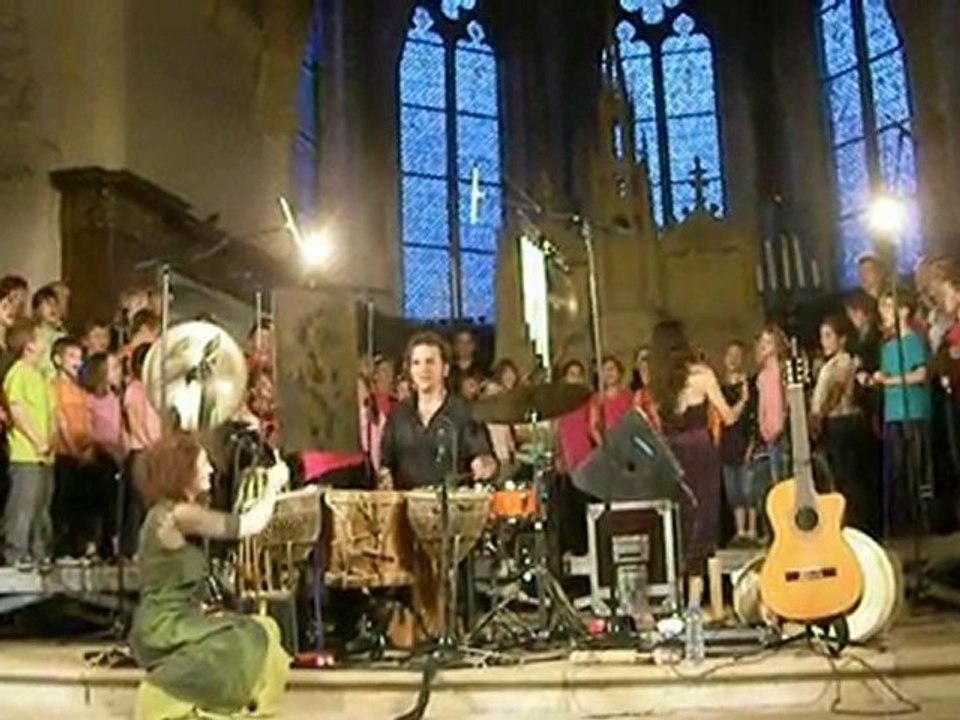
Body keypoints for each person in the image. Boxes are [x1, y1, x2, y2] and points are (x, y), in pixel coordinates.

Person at [129, 431, 290, 719]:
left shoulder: (171, 514)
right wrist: (273, 485)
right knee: (247, 635)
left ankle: (251, 706)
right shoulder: (174, 515)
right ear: (183, 470)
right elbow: (247, 524)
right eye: (205, 464)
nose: (212, 470)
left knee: (264, 628)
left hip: (180, 618)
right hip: (164, 625)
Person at [647, 320, 747, 608]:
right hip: (700, 452)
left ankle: (674, 597)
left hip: (671, 455)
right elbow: (727, 418)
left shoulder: (658, 384)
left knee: (678, 522)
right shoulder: (702, 375)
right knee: (703, 523)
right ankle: (694, 600)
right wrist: (741, 402)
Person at [380, 331, 497, 490]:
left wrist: (485, 464)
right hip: (408, 505)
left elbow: (484, 456)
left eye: (430, 362)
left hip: (454, 507)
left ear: (445, 369)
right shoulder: (398, 414)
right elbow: (386, 462)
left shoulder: (464, 412)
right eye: (416, 363)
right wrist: (384, 476)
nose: (423, 369)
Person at [870, 289, 932, 538]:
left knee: (916, 470)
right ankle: (900, 525)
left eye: (888, 307)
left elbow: (920, 374)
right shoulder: (887, 347)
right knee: (896, 472)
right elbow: (886, 377)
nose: (883, 313)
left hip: (914, 412)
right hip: (893, 414)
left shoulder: (914, 341)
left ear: (903, 311)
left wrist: (891, 381)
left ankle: (923, 523)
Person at [810, 316, 876, 533]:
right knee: (837, 476)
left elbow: (836, 391)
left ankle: (856, 523)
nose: (824, 342)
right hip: (833, 423)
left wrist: (821, 415)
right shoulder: (829, 363)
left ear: (842, 339)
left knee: (848, 477)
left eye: (829, 336)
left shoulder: (844, 361)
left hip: (842, 422)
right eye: (822, 336)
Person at [3, 318, 55, 567]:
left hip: (45, 454)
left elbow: (51, 411)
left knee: (41, 507)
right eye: (38, 338)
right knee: (23, 504)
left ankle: (39, 551)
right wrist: (37, 440)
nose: (44, 343)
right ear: (28, 345)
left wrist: (51, 439)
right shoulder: (18, 373)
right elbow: (18, 411)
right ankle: (16, 552)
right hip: (26, 453)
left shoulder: (41, 375)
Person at [717, 340, 755, 546]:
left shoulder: (748, 385)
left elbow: (751, 417)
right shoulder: (719, 389)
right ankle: (740, 531)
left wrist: (753, 443)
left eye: (737, 355)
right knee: (734, 491)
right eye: (729, 355)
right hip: (726, 443)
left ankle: (752, 530)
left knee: (748, 489)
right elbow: (724, 417)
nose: (732, 359)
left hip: (744, 440)